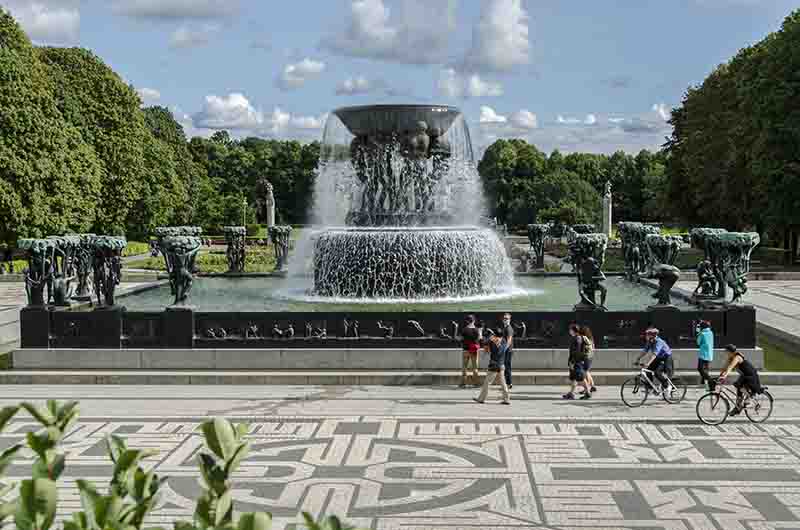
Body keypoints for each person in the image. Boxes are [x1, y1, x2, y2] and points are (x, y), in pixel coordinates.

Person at [719, 344, 761, 415]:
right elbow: (725, 367)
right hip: (744, 375)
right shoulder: (730, 358)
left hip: (750, 375)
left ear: (730, 352)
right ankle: (738, 407)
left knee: (739, 386)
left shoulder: (737, 357)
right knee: (738, 388)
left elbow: (730, 367)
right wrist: (720, 375)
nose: (726, 354)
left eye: (727, 352)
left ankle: (751, 396)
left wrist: (725, 376)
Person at [474, 333, 511, 405]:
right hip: (501, 365)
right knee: (503, 383)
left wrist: (491, 341)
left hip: (493, 365)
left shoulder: (493, 343)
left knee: (487, 383)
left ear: (495, 336)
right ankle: (506, 399)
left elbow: (487, 350)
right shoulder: (504, 342)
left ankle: (481, 399)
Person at [635, 327, 673, 394]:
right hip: (659, 357)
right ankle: (650, 388)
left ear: (652, 335)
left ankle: (667, 386)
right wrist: (638, 359)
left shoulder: (659, 342)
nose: (646, 336)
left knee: (657, 372)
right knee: (648, 370)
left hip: (666, 358)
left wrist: (648, 363)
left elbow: (655, 354)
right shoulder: (650, 341)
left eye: (647, 335)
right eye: (646, 334)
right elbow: (645, 351)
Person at [563, 323, 591, 400]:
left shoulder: (577, 338)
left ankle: (588, 392)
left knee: (580, 378)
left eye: (570, 330)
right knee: (573, 378)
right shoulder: (576, 338)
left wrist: (572, 362)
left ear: (573, 330)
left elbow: (576, 352)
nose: (569, 331)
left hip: (576, 362)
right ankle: (571, 393)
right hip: (576, 361)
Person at [459, 315, 480, 388]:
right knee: (475, 367)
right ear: (474, 321)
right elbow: (479, 339)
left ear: (467, 321)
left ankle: (463, 383)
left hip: (465, 350)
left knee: (464, 367)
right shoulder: (477, 330)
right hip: (474, 351)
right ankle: (476, 383)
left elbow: (461, 339)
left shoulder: (464, 329)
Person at [696, 320, 714, 390]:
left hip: (703, 354)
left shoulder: (702, 333)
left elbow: (698, 342)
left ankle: (710, 381)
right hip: (709, 354)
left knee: (700, 369)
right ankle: (703, 383)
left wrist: (698, 334)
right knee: (706, 369)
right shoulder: (711, 332)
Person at [580, 325, 597, 393]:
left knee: (585, 373)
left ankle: (587, 388)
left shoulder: (584, 339)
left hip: (586, 357)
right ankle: (592, 386)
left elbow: (584, 349)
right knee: (587, 372)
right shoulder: (591, 338)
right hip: (590, 357)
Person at [500, 313, 514, 389]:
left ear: (510, 320)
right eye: (504, 319)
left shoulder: (509, 328)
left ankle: (509, 384)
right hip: (507, 350)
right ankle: (507, 383)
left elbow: (509, 341)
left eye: (507, 319)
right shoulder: (505, 328)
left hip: (507, 351)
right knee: (505, 367)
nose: (505, 320)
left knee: (507, 367)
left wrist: (503, 350)